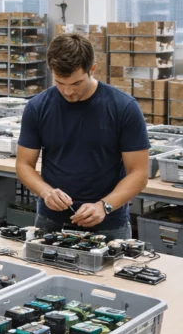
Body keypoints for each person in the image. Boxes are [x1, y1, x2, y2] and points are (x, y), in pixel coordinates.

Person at [16, 33, 149, 240]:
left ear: (92, 69)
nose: (68, 91)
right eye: (60, 82)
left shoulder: (124, 107)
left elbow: (139, 173)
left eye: (76, 83)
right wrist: (45, 192)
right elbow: (24, 165)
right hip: (51, 221)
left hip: (108, 223)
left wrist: (104, 206)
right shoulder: (37, 107)